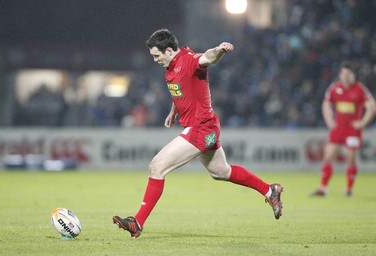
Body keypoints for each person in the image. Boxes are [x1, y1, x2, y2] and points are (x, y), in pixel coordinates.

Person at [113, 29, 283, 238]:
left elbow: (208, 57)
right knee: (221, 172)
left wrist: (220, 50)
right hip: (204, 126)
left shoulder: (189, 60)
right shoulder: (170, 67)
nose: (155, 59)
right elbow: (182, 90)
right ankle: (270, 191)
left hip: (201, 127)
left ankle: (137, 221)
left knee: (156, 167)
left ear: (168, 50)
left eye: (157, 55)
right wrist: (173, 111)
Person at [312, 61, 376, 197]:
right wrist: (330, 121)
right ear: (340, 75)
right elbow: (326, 105)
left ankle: (348, 189)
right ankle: (323, 188)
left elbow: (371, 107)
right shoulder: (335, 88)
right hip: (338, 129)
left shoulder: (359, 89)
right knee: (328, 157)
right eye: (343, 74)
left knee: (351, 159)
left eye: (348, 74)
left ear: (353, 75)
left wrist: (362, 123)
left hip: (353, 130)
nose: (346, 77)